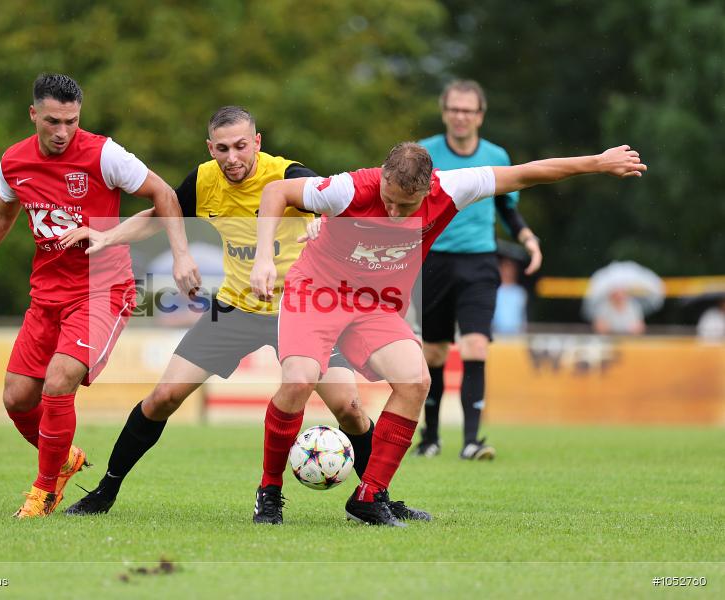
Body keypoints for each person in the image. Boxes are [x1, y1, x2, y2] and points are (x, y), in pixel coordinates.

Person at [250, 142, 645, 526]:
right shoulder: (350, 187)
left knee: (416, 381)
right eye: (388, 198)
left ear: (429, 188)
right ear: (383, 177)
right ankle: (269, 492)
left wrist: (597, 162)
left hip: (374, 304)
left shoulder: (452, 188)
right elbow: (276, 191)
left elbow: (525, 174)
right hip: (317, 293)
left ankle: (371, 496)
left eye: (406, 206)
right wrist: (264, 258)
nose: (392, 210)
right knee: (300, 380)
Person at [61, 106, 415, 522]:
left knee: (350, 410)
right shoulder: (204, 180)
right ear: (211, 148)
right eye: (223, 149)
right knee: (162, 398)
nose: (233, 158)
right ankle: (106, 490)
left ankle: (379, 498)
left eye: (242, 147)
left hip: (304, 310)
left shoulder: (288, 174)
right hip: (236, 307)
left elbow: (334, 199)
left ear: (257, 143)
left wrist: (323, 222)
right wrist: (108, 235)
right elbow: (161, 215)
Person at [0, 73, 200, 519]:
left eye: (72, 122)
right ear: (33, 115)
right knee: (17, 398)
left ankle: (44, 491)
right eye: (53, 121)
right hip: (47, 294)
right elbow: (2, 214)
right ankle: (63, 459)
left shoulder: (105, 154)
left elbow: (163, 193)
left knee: (60, 378)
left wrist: (180, 256)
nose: (63, 132)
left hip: (103, 290)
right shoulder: (14, 162)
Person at [414, 80, 542, 461]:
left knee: (475, 345)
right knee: (434, 352)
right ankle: (431, 438)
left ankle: (471, 441)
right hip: (432, 260)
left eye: (468, 110)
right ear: (444, 112)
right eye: (454, 109)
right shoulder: (424, 152)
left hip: (480, 261)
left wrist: (527, 236)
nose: (460, 116)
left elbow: (506, 205)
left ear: (480, 115)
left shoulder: (496, 155)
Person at [492, 253, 528, 335]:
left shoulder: (520, 292)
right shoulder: (492, 290)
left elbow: (522, 318)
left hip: (515, 337)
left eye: (510, 269)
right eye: (505, 268)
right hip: (496, 336)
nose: (507, 272)